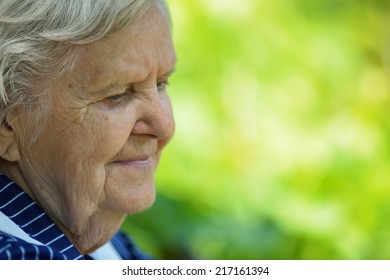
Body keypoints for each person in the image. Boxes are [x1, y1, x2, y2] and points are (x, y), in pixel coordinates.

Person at [0, 0, 176, 260]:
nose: (163, 125)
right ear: (7, 123)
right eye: (117, 95)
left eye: (161, 83)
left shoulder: (98, 244)